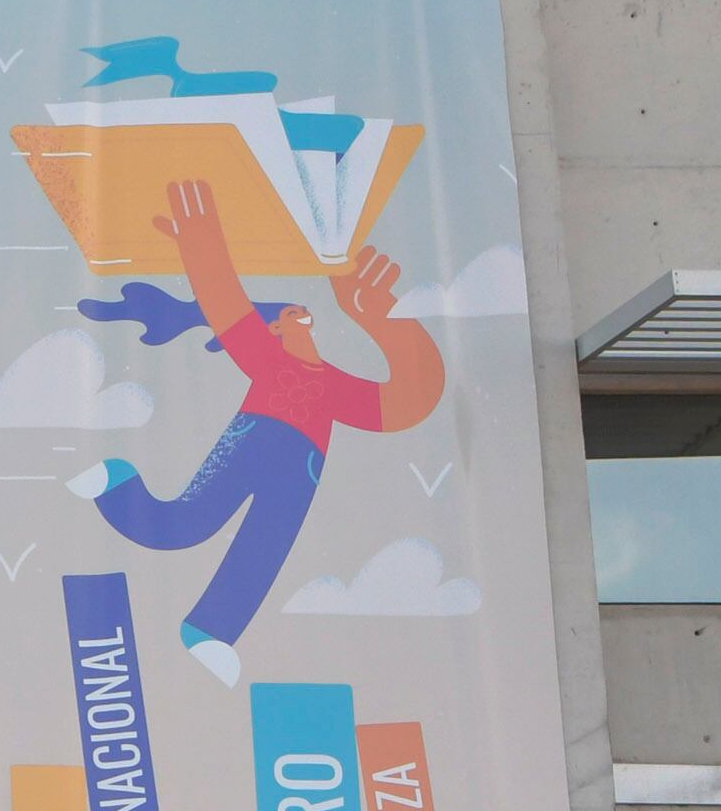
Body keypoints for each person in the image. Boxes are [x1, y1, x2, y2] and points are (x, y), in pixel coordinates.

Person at [67, 177, 444, 687]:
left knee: (263, 552)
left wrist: (383, 319)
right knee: (184, 524)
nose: (300, 317)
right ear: (275, 331)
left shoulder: (338, 389)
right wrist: (203, 248)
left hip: (300, 471)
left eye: (304, 314)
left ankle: (210, 631)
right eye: (289, 315)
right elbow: (227, 307)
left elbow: (411, 399)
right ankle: (117, 481)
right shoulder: (268, 361)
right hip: (252, 442)